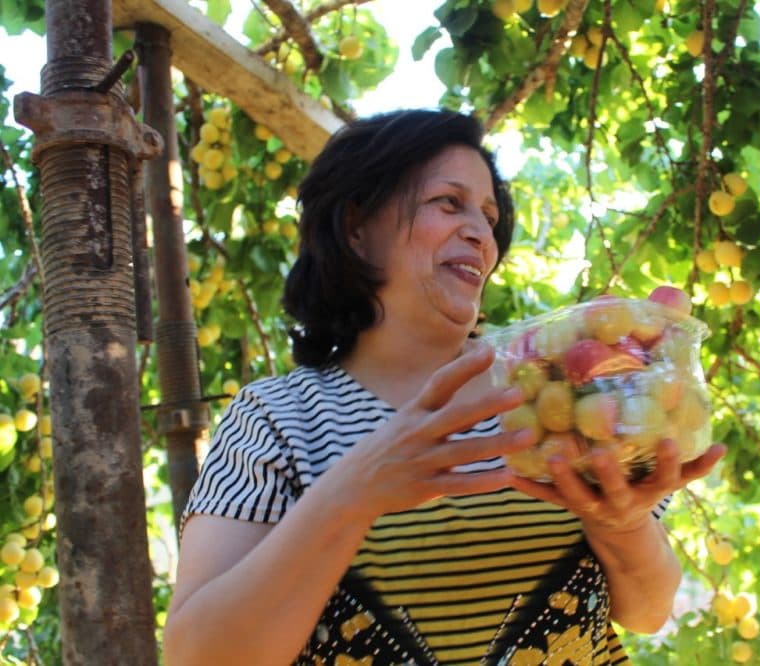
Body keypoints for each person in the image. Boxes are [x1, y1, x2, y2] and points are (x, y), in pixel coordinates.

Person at [162, 109, 725, 666]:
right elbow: (197, 657)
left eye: (488, 215)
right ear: (357, 229)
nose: (481, 234)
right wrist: (350, 493)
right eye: (448, 203)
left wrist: (623, 525)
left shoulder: (550, 395)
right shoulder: (277, 417)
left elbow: (648, 610)